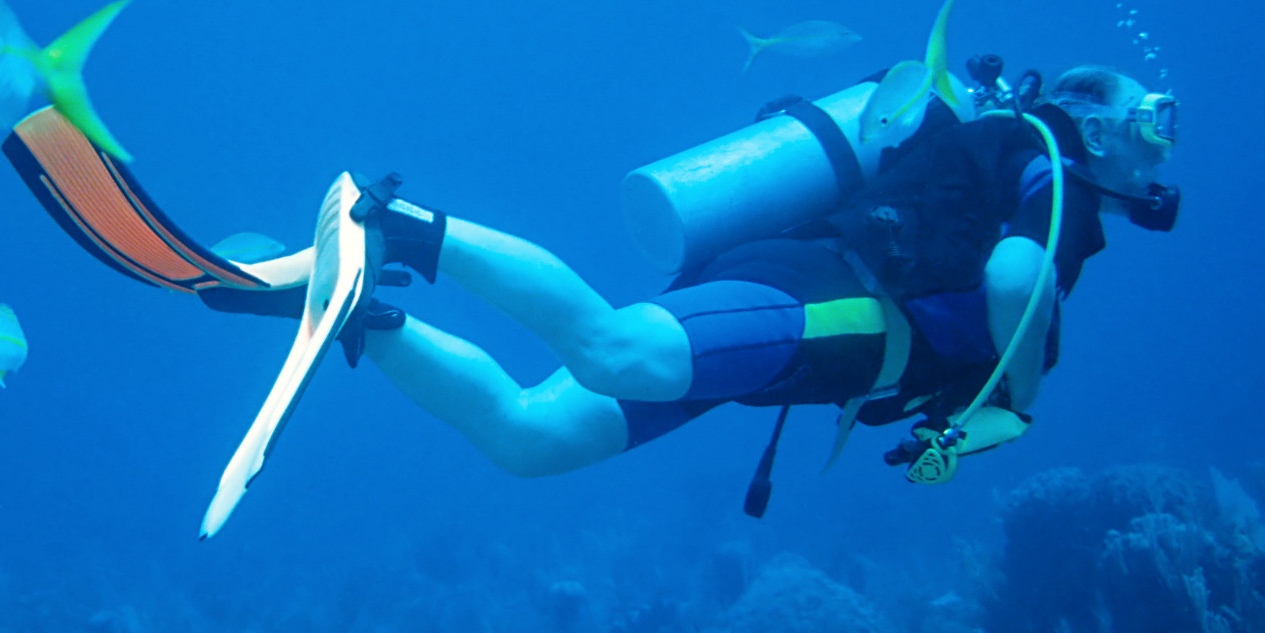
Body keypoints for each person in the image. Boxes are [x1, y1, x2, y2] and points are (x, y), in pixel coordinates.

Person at [335, 66, 1179, 489]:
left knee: (533, 439)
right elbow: (1015, 275)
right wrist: (1016, 402)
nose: (1161, 148)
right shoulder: (1048, 172)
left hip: (799, 306)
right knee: (615, 351)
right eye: (1153, 122)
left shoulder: (996, 150)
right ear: (1097, 132)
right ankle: (390, 223)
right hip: (829, 305)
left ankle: (366, 319)